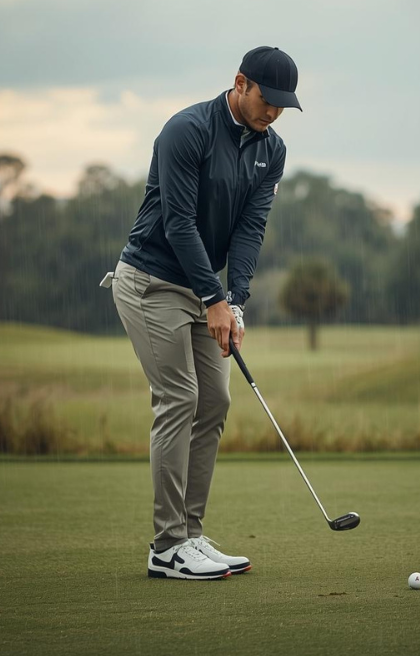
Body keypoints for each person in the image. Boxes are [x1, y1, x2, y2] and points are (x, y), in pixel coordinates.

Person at [104, 46, 301, 580]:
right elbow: (178, 222)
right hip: (149, 280)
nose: (274, 113)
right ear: (240, 83)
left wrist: (234, 301)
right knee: (179, 397)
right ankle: (166, 546)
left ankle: (190, 535)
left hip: (203, 289)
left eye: (284, 105)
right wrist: (213, 299)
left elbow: (250, 229)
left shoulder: (272, 150)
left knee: (214, 401)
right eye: (267, 99)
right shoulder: (186, 130)